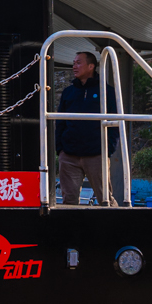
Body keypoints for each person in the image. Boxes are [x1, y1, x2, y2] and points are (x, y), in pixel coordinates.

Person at [55, 50, 125, 206]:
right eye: (73, 63)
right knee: (69, 200)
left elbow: (115, 122)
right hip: (69, 155)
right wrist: (60, 149)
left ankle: (118, 222)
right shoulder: (68, 92)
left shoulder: (107, 91)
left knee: (105, 199)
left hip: (96, 154)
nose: (74, 66)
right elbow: (60, 121)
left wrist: (107, 149)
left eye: (78, 62)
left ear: (91, 66)